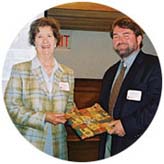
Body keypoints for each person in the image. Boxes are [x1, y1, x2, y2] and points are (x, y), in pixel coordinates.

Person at [4, 17, 75, 160]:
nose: (45, 41)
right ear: (33, 41)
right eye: (39, 36)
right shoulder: (20, 70)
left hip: (58, 144)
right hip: (29, 141)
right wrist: (44, 117)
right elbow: (11, 108)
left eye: (49, 36)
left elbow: (69, 105)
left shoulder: (68, 73)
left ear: (56, 41)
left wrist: (77, 115)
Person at [98, 17, 162, 158]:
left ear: (139, 39)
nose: (120, 40)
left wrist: (127, 125)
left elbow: (157, 106)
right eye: (116, 36)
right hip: (109, 141)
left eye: (126, 35)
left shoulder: (155, 66)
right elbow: (102, 106)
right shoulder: (110, 72)